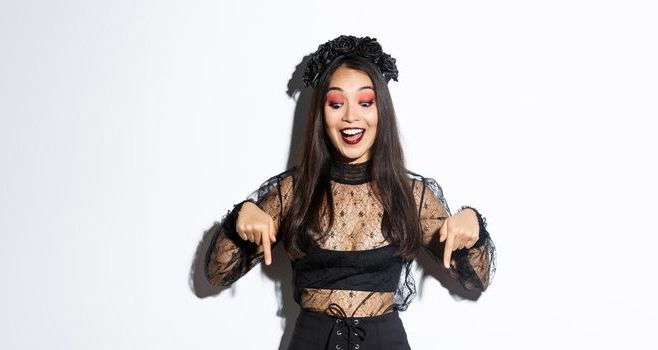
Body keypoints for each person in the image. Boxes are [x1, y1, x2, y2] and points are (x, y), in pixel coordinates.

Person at [204, 35, 496, 350]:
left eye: (365, 102)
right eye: (336, 103)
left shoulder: (412, 194)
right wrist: (239, 219)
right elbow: (217, 275)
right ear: (321, 114)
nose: (351, 116)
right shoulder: (292, 192)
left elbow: (477, 281)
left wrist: (473, 226)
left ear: (380, 110)